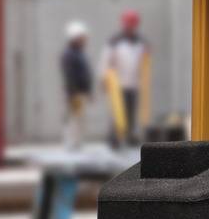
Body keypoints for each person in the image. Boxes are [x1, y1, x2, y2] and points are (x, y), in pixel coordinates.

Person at [99, 10, 150, 146]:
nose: (130, 28)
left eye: (132, 25)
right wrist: (104, 79)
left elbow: (144, 61)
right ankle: (114, 138)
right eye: (128, 25)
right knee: (117, 112)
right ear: (124, 25)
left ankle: (130, 137)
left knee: (131, 112)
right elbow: (105, 61)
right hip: (118, 84)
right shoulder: (114, 42)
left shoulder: (140, 42)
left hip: (133, 83)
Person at [60, 21, 93, 150]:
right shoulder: (69, 54)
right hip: (74, 93)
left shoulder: (79, 53)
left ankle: (77, 144)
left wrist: (88, 91)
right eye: (82, 37)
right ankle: (71, 144)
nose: (84, 40)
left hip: (80, 92)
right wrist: (72, 93)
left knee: (79, 119)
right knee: (73, 119)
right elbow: (69, 75)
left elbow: (85, 74)